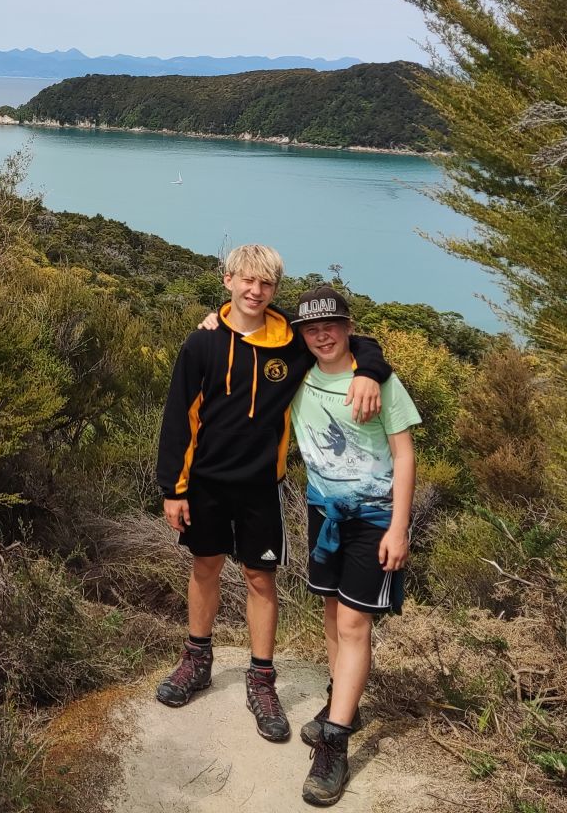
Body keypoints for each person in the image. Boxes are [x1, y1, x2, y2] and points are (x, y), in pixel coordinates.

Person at [154, 245, 392, 744]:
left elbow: (355, 343)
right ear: (228, 281)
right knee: (205, 566)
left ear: (274, 289)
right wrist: (174, 489)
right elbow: (179, 417)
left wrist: (370, 371)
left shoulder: (290, 343)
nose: (255, 291)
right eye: (247, 280)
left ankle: (262, 680)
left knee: (260, 578)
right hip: (205, 484)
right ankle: (196, 660)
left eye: (266, 283)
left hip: (262, 485)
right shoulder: (202, 343)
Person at [286, 284, 420, 807]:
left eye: (332, 326)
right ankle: (343, 704)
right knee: (330, 610)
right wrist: (213, 320)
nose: (322, 336)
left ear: (349, 327)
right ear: (302, 334)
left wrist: (399, 528)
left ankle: (335, 744)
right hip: (323, 513)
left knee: (353, 622)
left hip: (373, 518)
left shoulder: (381, 383)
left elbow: (404, 455)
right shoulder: (298, 371)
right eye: (312, 328)